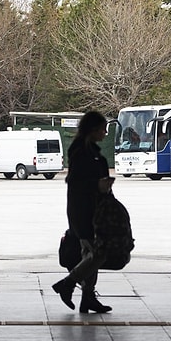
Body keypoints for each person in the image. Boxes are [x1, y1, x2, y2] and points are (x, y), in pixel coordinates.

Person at [52, 111, 113, 314]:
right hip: (83, 212)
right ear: (93, 129)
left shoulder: (90, 151)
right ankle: (68, 284)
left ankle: (88, 297)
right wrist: (98, 185)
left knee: (91, 254)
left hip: (92, 210)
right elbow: (75, 183)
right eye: (102, 129)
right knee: (96, 254)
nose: (105, 133)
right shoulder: (81, 152)